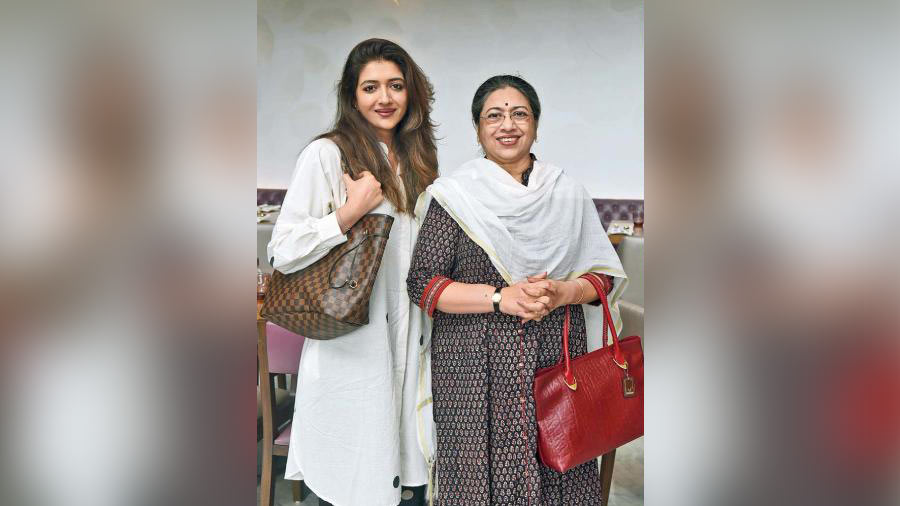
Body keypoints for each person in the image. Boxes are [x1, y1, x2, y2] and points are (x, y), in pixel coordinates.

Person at [406, 75, 627, 505]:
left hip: (555, 359)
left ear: (536, 125)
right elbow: (425, 284)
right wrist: (498, 298)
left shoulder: (566, 193)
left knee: (560, 464)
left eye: (519, 113)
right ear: (478, 129)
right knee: (477, 476)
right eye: (494, 115)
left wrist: (564, 292)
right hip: (471, 367)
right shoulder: (454, 197)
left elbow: (603, 277)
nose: (507, 124)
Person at [267, 38, 438, 506]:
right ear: (352, 95)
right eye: (370, 87)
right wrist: (348, 213)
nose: (384, 98)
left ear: (412, 94)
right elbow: (283, 249)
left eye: (395, 86)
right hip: (352, 340)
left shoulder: (418, 160)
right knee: (352, 473)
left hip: (412, 333)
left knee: (406, 473)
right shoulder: (328, 154)